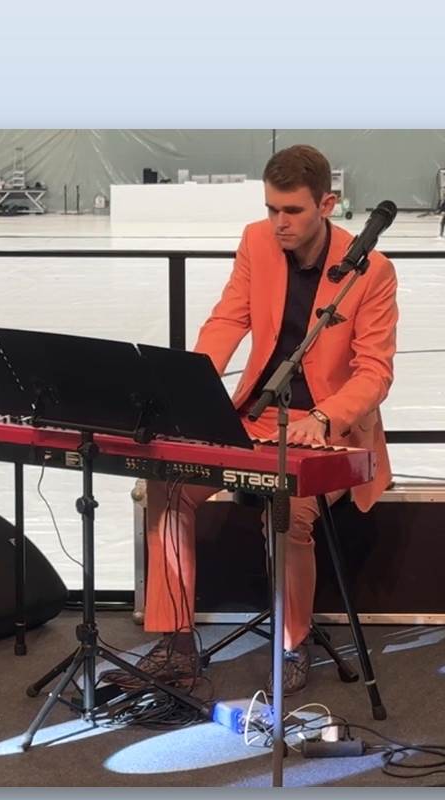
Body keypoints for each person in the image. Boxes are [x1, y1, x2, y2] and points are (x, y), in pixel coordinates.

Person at [112, 145, 399, 693]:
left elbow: (375, 373)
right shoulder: (255, 242)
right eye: (272, 209)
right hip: (256, 419)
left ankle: (293, 643)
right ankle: (175, 640)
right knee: (165, 485)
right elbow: (227, 320)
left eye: (292, 211)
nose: (279, 223)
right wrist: (189, 387)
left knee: (287, 510)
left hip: (329, 435)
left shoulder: (372, 272)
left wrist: (324, 415)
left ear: (327, 204)